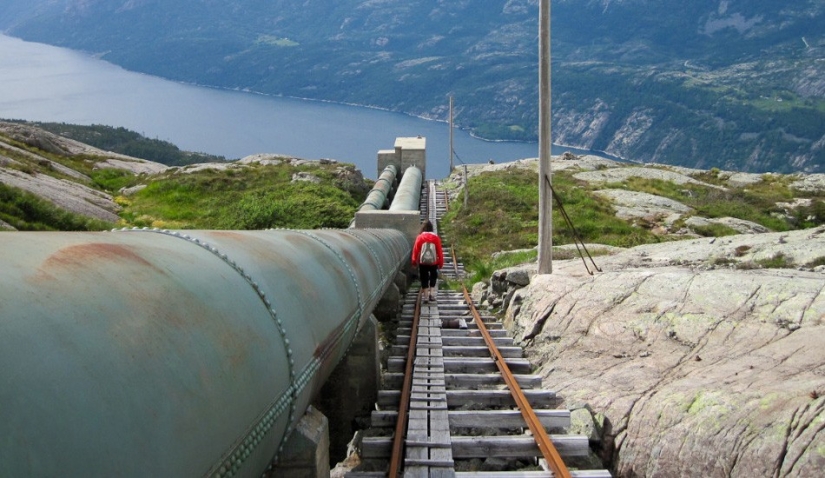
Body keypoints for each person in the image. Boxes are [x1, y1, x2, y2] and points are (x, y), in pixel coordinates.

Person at [411, 220, 444, 303]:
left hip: (423, 262)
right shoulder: (436, 238)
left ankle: (425, 297)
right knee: (433, 276)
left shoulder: (420, 237)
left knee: (424, 278)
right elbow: (439, 251)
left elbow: (415, 250)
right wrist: (440, 263)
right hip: (433, 262)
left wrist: (414, 261)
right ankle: (432, 294)